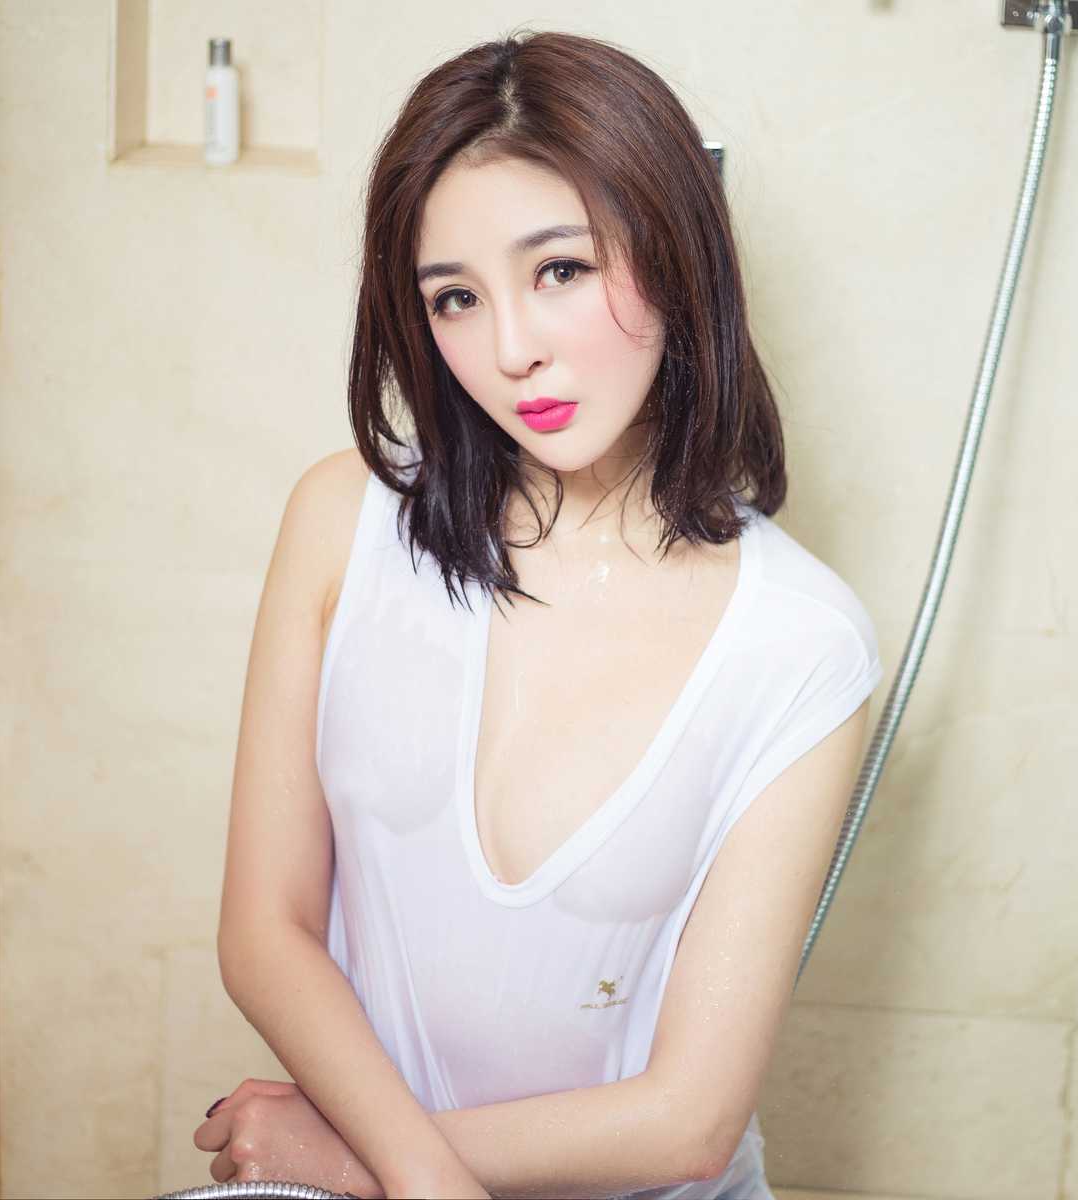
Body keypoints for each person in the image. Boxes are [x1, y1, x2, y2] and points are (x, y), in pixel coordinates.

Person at [197, 28, 883, 1200]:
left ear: (673, 251)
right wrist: (416, 1177)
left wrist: (359, 1164)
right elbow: (266, 931)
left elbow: (688, 1124)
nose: (510, 350)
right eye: (456, 298)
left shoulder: (801, 645)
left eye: (558, 271)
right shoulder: (343, 523)